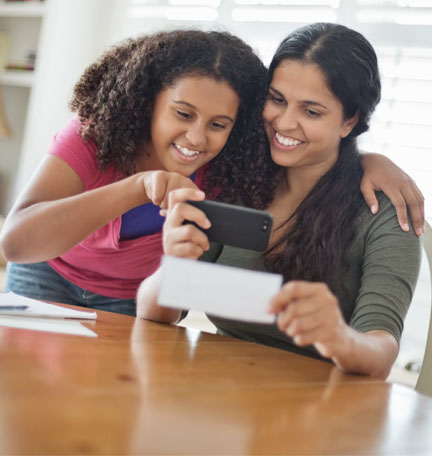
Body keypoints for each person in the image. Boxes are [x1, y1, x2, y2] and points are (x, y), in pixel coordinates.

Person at [0, 28, 422, 317]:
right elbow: (17, 243)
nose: (197, 138)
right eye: (183, 113)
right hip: (47, 275)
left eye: (219, 124)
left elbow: (312, 144)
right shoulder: (99, 134)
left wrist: (367, 158)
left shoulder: (233, 159)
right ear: (148, 100)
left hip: (135, 297)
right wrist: (137, 187)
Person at [137, 23, 422, 378]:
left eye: (311, 112)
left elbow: (380, 351)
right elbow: (156, 314)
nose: (284, 123)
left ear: (350, 120)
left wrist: (339, 337)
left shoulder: (384, 213)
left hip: (315, 406)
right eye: (277, 100)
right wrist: (173, 267)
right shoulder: (240, 180)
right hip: (212, 395)